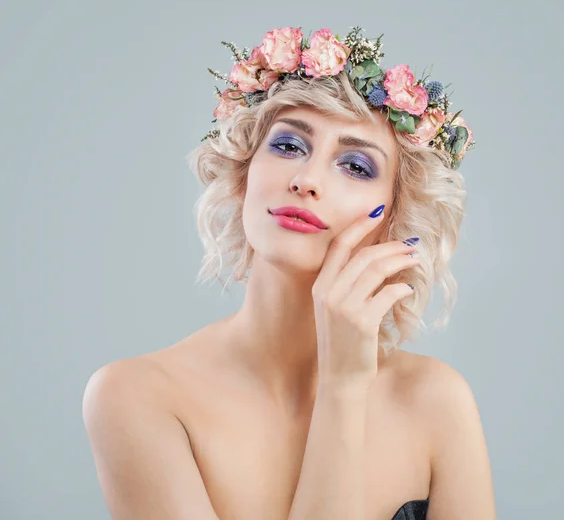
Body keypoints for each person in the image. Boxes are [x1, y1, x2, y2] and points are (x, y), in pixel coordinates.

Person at [82, 26, 495, 520]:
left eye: (357, 166)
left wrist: (346, 380)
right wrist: (343, 388)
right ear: (243, 173)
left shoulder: (437, 402)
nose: (306, 180)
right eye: (288, 146)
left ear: (396, 216)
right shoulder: (137, 395)